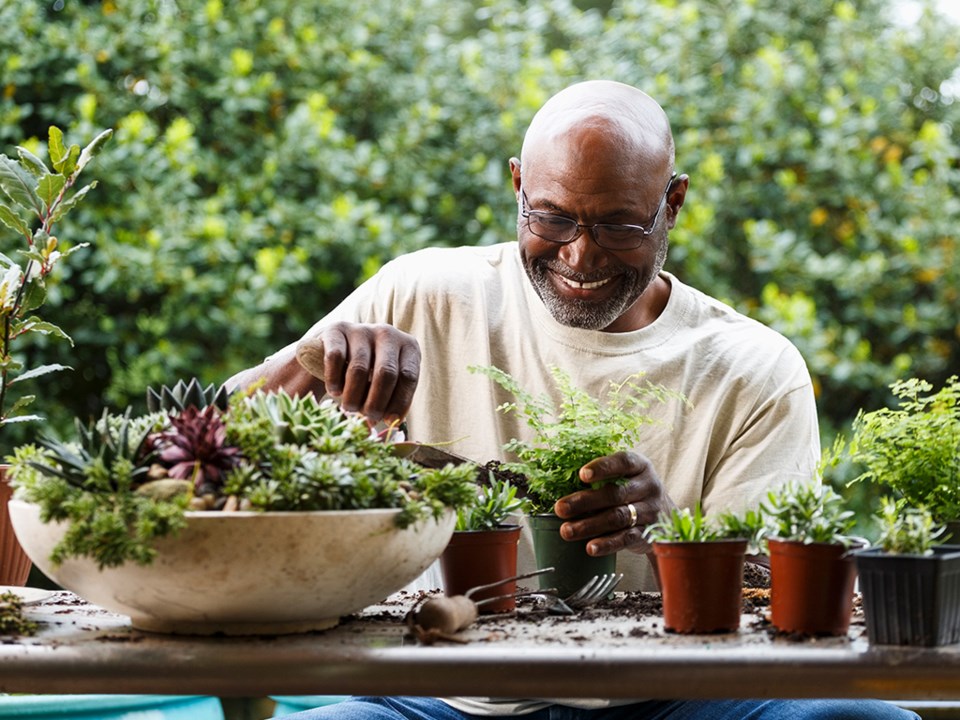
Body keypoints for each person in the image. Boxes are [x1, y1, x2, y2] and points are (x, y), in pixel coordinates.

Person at [227, 80, 917, 720]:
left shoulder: (750, 367)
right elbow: (193, 446)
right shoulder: (423, 294)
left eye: (619, 226)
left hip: (680, 703)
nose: (580, 258)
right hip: (442, 700)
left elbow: (783, 606)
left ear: (671, 203)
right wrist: (311, 359)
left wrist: (671, 535)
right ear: (518, 185)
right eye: (552, 219)